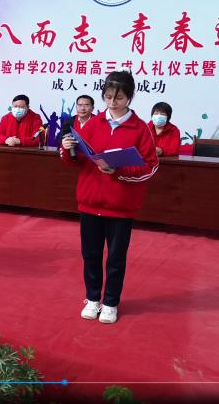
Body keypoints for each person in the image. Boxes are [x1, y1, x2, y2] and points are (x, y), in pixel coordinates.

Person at [60, 71, 159, 324]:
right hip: (90, 202)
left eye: (119, 98)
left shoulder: (140, 128)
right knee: (90, 255)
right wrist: (68, 150)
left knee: (115, 259)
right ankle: (93, 298)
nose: (112, 103)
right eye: (108, 97)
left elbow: (150, 166)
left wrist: (118, 171)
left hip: (120, 206)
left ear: (130, 97)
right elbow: (78, 162)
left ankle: (111, 302)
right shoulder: (93, 124)